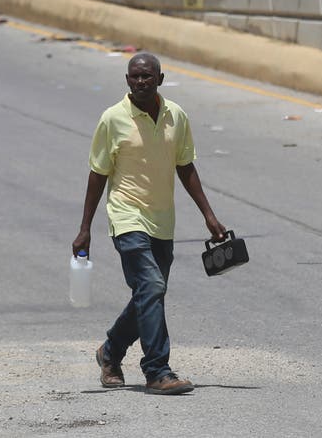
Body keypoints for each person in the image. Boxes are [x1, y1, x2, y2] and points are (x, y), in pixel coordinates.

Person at [72, 52, 226, 395]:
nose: (140, 82)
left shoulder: (177, 116)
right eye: (134, 76)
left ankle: (110, 352)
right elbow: (98, 174)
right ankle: (157, 370)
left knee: (149, 293)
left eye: (147, 76)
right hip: (126, 217)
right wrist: (85, 228)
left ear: (160, 78)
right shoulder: (113, 119)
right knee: (151, 288)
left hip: (162, 220)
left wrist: (209, 215)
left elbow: (185, 166)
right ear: (127, 80)